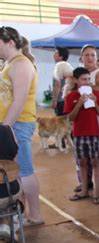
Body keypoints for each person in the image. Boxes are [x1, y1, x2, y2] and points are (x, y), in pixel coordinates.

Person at [0, 27, 43, 225]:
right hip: (11, 123)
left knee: (25, 170)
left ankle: (35, 215)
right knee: (16, 171)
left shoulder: (21, 65)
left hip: (18, 123)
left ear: (10, 42)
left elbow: (19, 100)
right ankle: (25, 213)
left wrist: (6, 129)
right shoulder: (9, 64)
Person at [64, 67, 99, 204]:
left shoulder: (96, 94)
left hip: (93, 133)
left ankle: (97, 191)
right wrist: (79, 104)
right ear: (76, 80)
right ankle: (83, 190)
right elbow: (70, 117)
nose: (87, 82)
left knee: (95, 161)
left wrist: (94, 103)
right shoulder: (71, 96)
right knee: (82, 162)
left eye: (88, 79)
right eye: (83, 79)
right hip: (78, 134)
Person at [74, 44, 99, 194]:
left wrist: (84, 83)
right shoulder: (77, 73)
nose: (90, 58)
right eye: (87, 55)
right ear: (81, 57)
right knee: (82, 155)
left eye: (93, 55)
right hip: (81, 118)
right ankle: (85, 182)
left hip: (96, 117)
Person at [0, 125, 21, 240]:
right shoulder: (6, 130)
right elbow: (14, 157)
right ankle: (6, 224)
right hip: (9, 192)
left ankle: (5, 223)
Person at [51, 46, 72, 117]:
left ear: (61, 56)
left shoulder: (59, 66)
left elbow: (57, 84)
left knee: (61, 122)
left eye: (56, 53)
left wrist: (54, 100)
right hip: (67, 98)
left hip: (61, 100)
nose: (53, 54)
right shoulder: (66, 65)